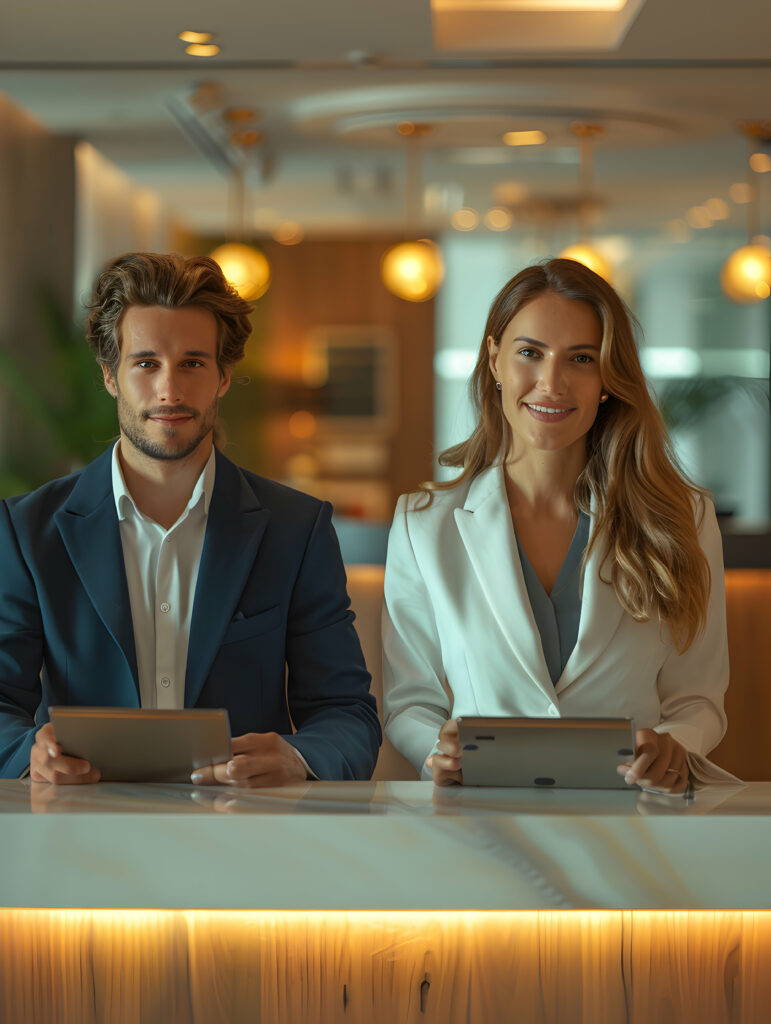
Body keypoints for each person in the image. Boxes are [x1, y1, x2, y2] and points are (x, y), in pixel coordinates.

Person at [0, 252, 381, 784]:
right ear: (110, 375)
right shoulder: (26, 531)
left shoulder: (297, 529)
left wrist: (297, 757)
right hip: (80, 834)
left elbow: (347, 712)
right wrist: (28, 755)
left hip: (243, 835)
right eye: (146, 363)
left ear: (224, 376)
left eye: (193, 363)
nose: (170, 391)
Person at [382, 257, 733, 792]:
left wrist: (673, 745)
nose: (551, 383)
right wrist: (437, 753)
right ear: (495, 359)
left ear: (608, 379)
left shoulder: (684, 518)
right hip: (483, 825)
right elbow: (410, 702)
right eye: (530, 353)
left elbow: (698, 699)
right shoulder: (424, 526)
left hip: (638, 828)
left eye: (581, 359)